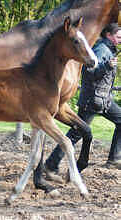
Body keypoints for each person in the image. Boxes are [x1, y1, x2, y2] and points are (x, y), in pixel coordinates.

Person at [43, 23, 121, 181]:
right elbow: (89, 71)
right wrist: (106, 65)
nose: (120, 39)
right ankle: (51, 165)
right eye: (118, 36)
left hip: (104, 100)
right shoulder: (101, 50)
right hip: (92, 101)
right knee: (75, 134)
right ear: (109, 35)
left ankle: (114, 158)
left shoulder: (109, 49)